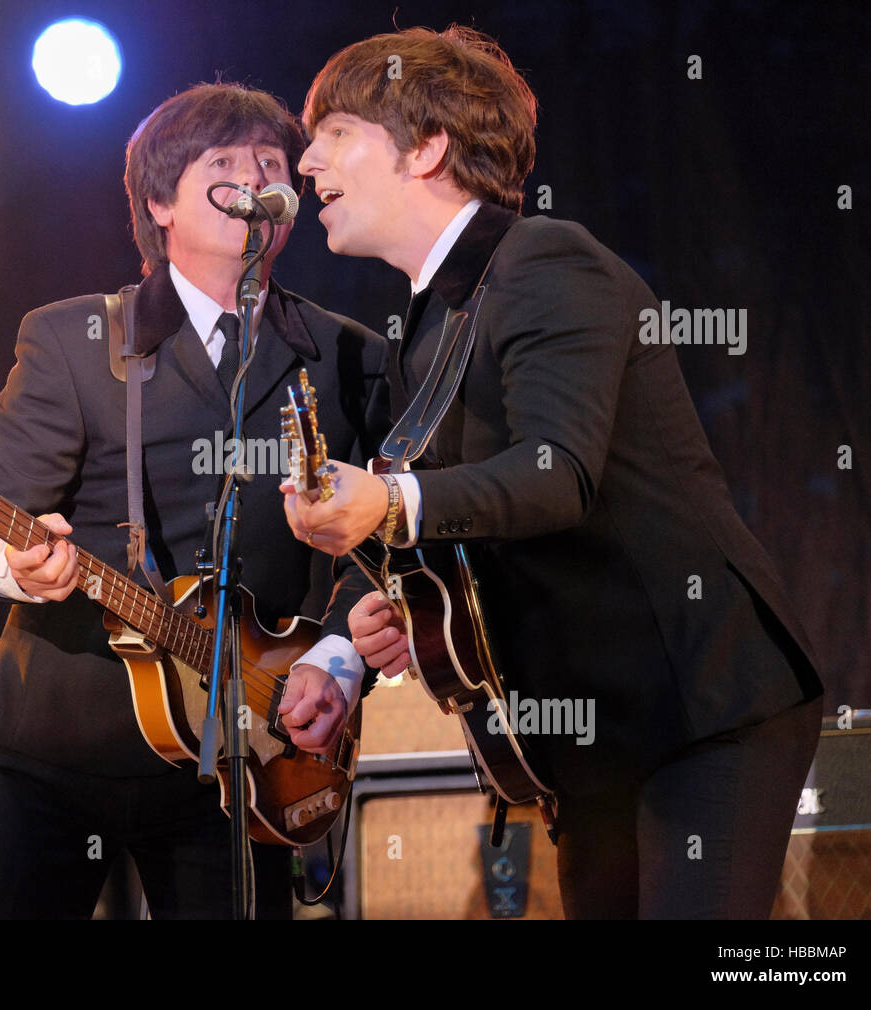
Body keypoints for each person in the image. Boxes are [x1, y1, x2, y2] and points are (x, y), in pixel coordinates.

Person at [282, 27, 824, 918]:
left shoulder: (546, 260)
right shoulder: (423, 327)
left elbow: (554, 473)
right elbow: (423, 531)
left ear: (427, 149)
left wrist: (387, 499)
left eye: (336, 132)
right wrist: (347, 649)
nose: (309, 161)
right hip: (584, 735)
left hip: (700, 703)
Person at [0, 82, 388, 919]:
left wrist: (335, 659)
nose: (256, 182)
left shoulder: (346, 355)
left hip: (240, 761)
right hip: (56, 747)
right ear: (160, 202)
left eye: (270, 163)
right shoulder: (75, 340)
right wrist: (16, 563)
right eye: (223, 164)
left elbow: (386, 541)